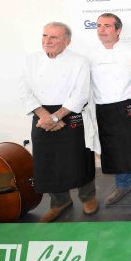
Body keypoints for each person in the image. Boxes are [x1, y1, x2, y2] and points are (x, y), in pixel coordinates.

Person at [20, 22, 96, 222]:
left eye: (54, 37)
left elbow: (80, 94)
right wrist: (45, 116)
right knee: (47, 160)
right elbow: (24, 90)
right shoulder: (30, 60)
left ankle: (88, 197)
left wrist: (56, 117)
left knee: (79, 158)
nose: (47, 41)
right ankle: (59, 202)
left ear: (67, 41)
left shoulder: (79, 61)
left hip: (70, 112)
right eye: (45, 35)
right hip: (41, 114)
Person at [90, 13, 131, 205]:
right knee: (114, 148)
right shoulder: (91, 55)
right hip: (104, 107)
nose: (102, 30)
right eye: (99, 26)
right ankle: (123, 186)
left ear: (118, 30)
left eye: (107, 26)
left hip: (130, 104)